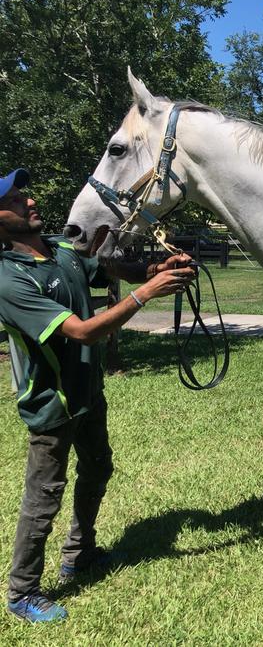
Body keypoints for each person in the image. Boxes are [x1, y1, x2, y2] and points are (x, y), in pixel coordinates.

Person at [0, 168, 195, 623]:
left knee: (98, 469)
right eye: (12, 201)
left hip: (89, 392)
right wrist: (147, 294)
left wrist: (154, 268)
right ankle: (22, 591)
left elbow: (105, 268)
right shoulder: (9, 281)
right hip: (53, 405)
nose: (27, 202)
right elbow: (84, 333)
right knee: (43, 496)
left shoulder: (59, 249)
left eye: (24, 194)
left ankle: (79, 552)